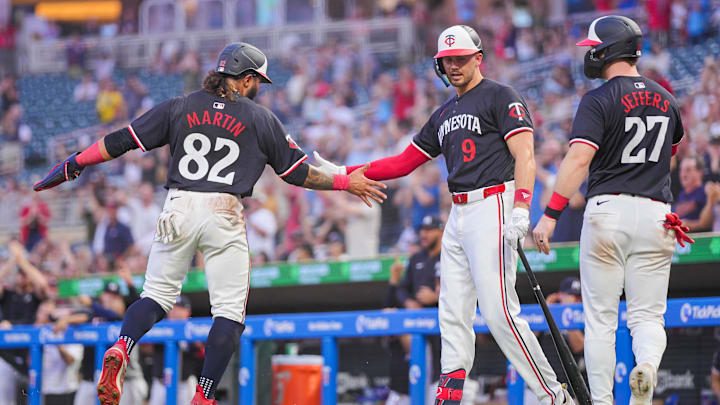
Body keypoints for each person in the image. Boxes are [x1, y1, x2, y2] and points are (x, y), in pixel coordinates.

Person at [33, 42, 387, 405]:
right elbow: (297, 174)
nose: (258, 88)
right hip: (224, 210)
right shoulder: (260, 118)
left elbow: (121, 140)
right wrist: (346, 182)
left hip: (178, 204)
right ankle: (203, 395)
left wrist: (75, 162)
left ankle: (123, 346)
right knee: (230, 313)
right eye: (257, 82)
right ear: (246, 78)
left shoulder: (180, 105)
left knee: (154, 295)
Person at [315, 25, 572, 405]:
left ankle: (553, 396)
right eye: (447, 60)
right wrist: (346, 172)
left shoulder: (502, 95)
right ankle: (450, 393)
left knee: (500, 313)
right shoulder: (443, 113)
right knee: (451, 309)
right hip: (459, 211)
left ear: (478, 58)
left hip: (494, 203)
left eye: (460, 58)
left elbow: (525, 155)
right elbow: (404, 162)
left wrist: (522, 207)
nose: (453, 65)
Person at [532, 15, 694, 405]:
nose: (590, 56)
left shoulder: (598, 98)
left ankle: (602, 400)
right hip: (658, 214)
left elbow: (577, 160)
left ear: (608, 49)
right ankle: (648, 369)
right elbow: (669, 157)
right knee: (647, 318)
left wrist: (550, 215)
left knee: (601, 320)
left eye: (593, 49)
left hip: (608, 210)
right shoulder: (667, 97)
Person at [384, 215, 443, 405]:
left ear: (441, 232)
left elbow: (469, 290)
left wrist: (436, 298)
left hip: (442, 324)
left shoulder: (451, 255)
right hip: (420, 326)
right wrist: (409, 301)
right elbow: (402, 289)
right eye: (422, 230)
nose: (423, 234)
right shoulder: (417, 258)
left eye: (429, 230)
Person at [148, 296, 204, 405]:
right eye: (172, 308)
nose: (174, 311)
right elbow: (146, 348)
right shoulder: (160, 326)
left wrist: (193, 339)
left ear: (187, 312)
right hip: (161, 383)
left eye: (179, 308)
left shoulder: (194, 328)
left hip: (184, 383)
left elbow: (204, 353)